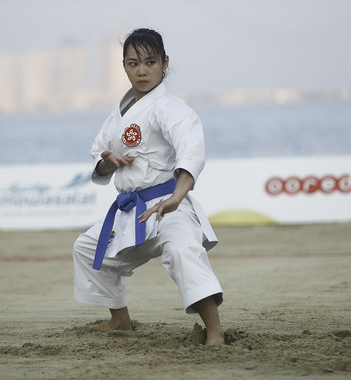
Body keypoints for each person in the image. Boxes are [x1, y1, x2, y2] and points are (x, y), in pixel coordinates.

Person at [72, 28, 225, 345]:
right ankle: (120, 320)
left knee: (183, 250)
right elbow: (98, 159)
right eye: (132, 63)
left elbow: (191, 154)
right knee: (86, 249)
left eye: (149, 62)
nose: (141, 71)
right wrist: (107, 161)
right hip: (132, 212)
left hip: (168, 206)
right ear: (124, 66)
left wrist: (176, 198)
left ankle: (214, 332)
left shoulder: (172, 109)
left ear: (164, 62)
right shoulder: (119, 112)